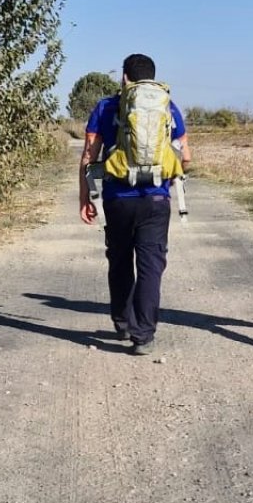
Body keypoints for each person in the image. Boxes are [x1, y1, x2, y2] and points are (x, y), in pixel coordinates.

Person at [79, 53, 192, 355]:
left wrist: (85, 197)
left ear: (125, 78)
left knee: (119, 260)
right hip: (156, 199)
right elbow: (186, 156)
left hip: (117, 199)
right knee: (150, 265)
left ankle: (122, 321)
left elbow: (89, 156)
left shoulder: (105, 107)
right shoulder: (169, 107)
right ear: (153, 78)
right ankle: (143, 335)